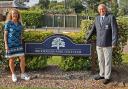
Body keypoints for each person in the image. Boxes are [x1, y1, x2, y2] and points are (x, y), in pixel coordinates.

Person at [86, 4, 118, 84]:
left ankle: (107, 77)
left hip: (108, 44)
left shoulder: (111, 17)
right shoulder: (96, 18)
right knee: (100, 60)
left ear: (105, 9)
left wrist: (114, 42)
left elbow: (115, 31)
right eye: (100, 9)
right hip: (99, 44)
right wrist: (87, 38)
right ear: (98, 10)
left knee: (107, 61)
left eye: (103, 9)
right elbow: (93, 30)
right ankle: (101, 74)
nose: (101, 10)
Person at [4, 8, 30, 82]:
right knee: (12, 59)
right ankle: (13, 74)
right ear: (11, 15)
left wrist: (21, 37)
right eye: (13, 13)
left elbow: (20, 34)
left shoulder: (20, 24)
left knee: (22, 58)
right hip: (10, 44)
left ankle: (22, 74)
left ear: (18, 15)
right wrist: (6, 44)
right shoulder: (8, 23)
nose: (15, 15)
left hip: (18, 44)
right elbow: (5, 35)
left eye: (16, 13)